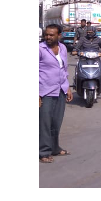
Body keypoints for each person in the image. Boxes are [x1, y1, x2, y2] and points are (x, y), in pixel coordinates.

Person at [40, 24, 73, 163]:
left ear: (59, 35)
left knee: (56, 122)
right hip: (45, 91)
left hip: (60, 89)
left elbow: (64, 69)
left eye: (51, 35)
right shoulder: (39, 49)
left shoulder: (63, 48)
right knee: (44, 123)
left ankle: (54, 147)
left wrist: (68, 87)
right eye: (47, 34)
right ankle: (43, 152)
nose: (48, 37)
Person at [73, 26, 101, 99]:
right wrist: (75, 51)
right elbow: (77, 47)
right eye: (88, 32)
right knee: (77, 71)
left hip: (96, 60)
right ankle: (76, 83)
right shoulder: (82, 39)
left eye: (91, 32)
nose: (89, 33)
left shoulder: (99, 40)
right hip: (84, 59)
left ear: (94, 32)